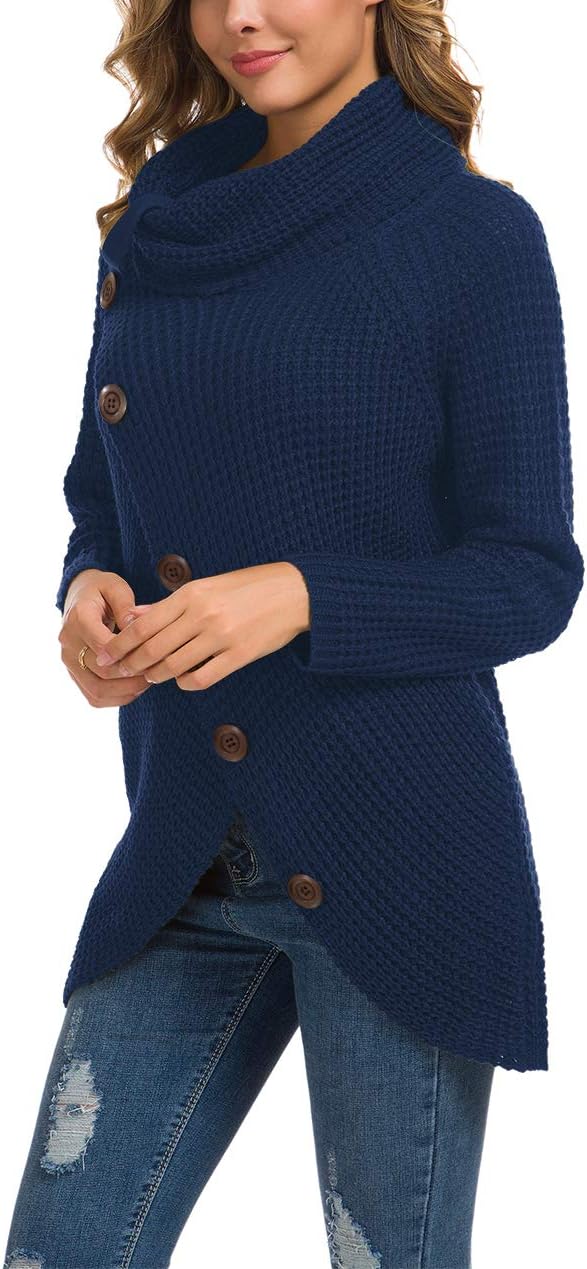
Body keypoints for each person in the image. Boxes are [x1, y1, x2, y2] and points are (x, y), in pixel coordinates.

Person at [4, 2, 584, 1266]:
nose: (239, 17)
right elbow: (100, 494)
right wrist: (87, 590)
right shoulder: (160, 220)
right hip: (182, 852)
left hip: (399, 856)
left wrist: (303, 595)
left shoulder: (470, 236)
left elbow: (530, 577)